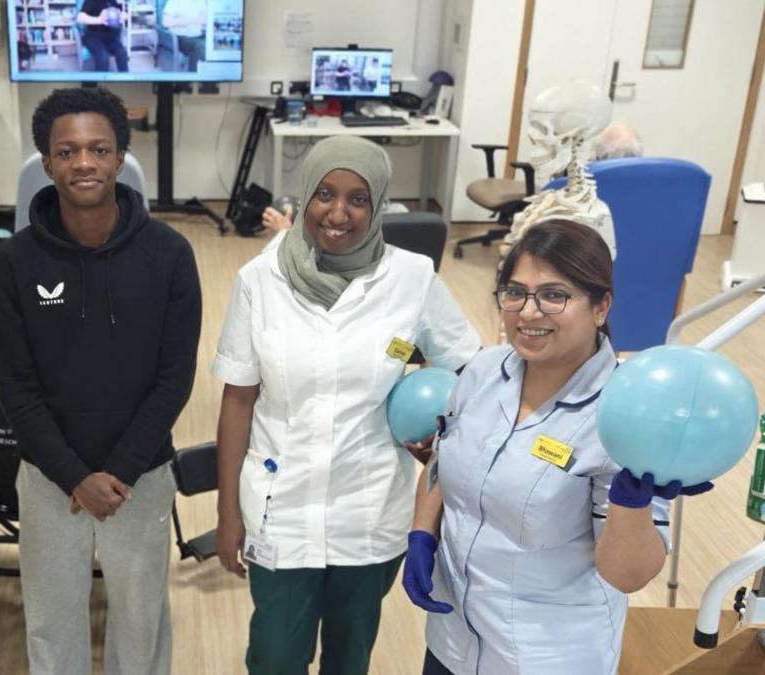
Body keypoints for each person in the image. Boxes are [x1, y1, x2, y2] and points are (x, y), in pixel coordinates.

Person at [212, 136, 481, 674]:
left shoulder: (411, 279)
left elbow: (469, 369)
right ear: (304, 197)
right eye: (324, 194)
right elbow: (238, 400)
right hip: (280, 508)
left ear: (378, 204)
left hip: (369, 509)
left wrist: (437, 432)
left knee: (349, 658)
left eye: (358, 198)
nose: (339, 213)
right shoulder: (259, 281)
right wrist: (226, 514)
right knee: (274, 658)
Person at [404, 220, 712, 675]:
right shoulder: (481, 373)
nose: (529, 312)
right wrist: (421, 534)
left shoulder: (627, 416)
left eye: (554, 294)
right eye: (515, 292)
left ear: (601, 306)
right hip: (453, 639)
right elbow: (443, 461)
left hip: (544, 656)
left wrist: (631, 504)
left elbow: (627, 575)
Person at [0, 87, 201, 675]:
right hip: (51, 477)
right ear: (47, 162)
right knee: (52, 624)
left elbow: (174, 377)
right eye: (68, 150)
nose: (84, 162)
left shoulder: (170, 254)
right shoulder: (15, 263)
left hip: (141, 476)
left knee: (141, 619)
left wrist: (119, 470)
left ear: (120, 158)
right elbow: (15, 385)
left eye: (99, 149)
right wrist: (76, 477)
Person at [78, 0, 129, 72]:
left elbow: (121, 12)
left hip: (110, 36)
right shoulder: (90, 1)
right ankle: (102, 82)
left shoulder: (112, 1)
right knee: (103, 55)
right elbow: (80, 18)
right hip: (93, 35)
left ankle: (125, 79)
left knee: (122, 53)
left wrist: (123, 16)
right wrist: (99, 20)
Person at [161, 0, 209, 72]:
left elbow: (207, 17)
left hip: (197, 35)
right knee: (201, 46)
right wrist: (193, 21)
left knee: (215, 44)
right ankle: (193, 77)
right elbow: (166, 22)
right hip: (180, 37)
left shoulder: (201, 1)